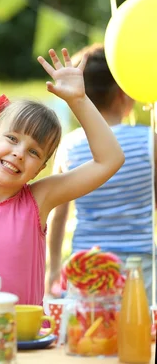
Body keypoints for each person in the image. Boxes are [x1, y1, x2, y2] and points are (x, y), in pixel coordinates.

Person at [0, 48, 124, 323]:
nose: (19, 153)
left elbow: (110, 159)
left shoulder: (39, 200)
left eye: (34, 152)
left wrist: (79, 100)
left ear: (41, 168)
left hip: (24, 339)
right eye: (12, 138)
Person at [45, 44, 155, 301]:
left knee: (87, 335)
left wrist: (52, 270)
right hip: (141, 265)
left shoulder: (69, 145)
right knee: (139, 336)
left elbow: (58, 217)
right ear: (121, 93)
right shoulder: (150, 140)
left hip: (86, 262)